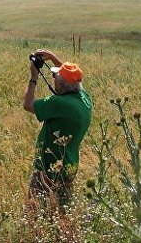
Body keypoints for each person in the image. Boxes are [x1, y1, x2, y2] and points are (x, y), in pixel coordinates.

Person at [22, 48, 92, 212]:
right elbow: (73, 79)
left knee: (34, 211)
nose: (53, 78)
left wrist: (33, 77)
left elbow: (28, 105)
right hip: (69, 165)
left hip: (49, 166)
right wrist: (53, 58)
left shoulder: (59, 104)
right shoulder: (84, 99)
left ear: (60, 84)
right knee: (62, 212)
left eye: (55, 76)